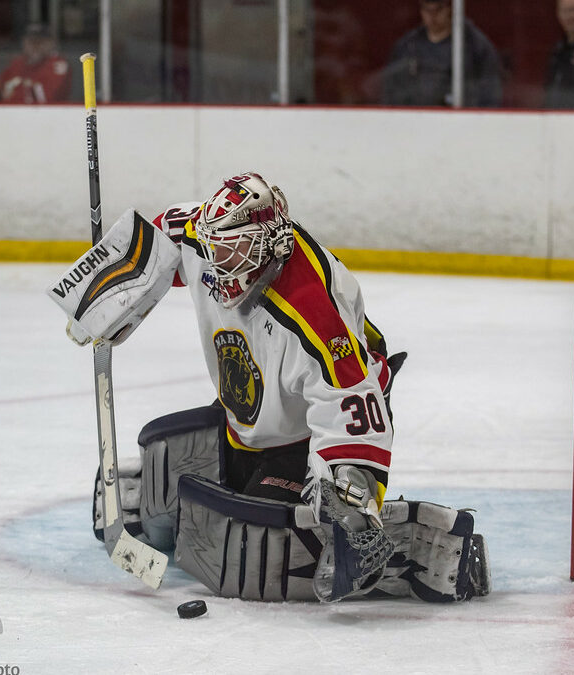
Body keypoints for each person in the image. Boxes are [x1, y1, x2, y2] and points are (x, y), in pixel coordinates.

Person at [50, 171, 488, 603]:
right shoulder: (208, 238)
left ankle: (393, 551)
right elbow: (159, 237)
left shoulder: (313, 311)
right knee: (177, 469)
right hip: (255, 417)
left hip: (311, 429)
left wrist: (349, 497)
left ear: (270, 246)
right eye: (215, 248)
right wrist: (105, 288)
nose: (218, 264)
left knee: (251, 549)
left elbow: (352, 403)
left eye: (233, 251)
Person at [380, 0, 502, 107]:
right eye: (427, 10)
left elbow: (490, 91)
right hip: (415, 120)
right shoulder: (408, 46)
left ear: (449, 8)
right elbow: (391, 91)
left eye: (438, 9)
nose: (432, 16)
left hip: (461, 120)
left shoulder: (474, 45)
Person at [0, 23, 70, 104]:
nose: (36, 46)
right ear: (23, 43)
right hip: (11, 113)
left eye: (40, 42)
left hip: (45, 114)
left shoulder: (57, 64)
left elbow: (44, 98)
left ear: (51, 44)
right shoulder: (17, 63)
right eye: (31, 41)